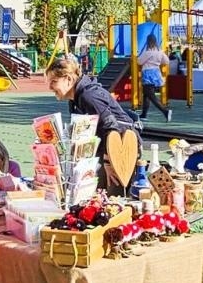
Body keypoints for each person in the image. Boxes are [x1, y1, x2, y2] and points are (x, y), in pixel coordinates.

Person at [45, 55, 141, 191]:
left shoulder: (88, 96)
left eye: (54, 81)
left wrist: (109, 162)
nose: (50, 87)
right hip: (105, 148)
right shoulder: (76, 98)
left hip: (121, 147)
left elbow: (111, 127)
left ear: (69, 79)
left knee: (113, 193)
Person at [135, 37, 171, 122]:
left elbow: (139, 61)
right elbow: (166, 61)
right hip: (156, 73)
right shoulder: (159, 52)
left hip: (148, 74)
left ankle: (165, 111)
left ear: (148, 42)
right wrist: (157, 62)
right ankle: (144, 114)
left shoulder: (148, 52)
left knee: (151, 95)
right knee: (146, 95)